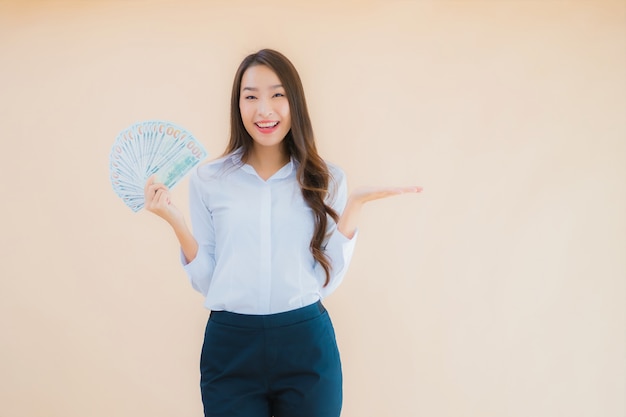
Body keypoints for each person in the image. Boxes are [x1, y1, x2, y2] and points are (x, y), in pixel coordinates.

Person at [143, 48, 422, 417]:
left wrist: (353, 207)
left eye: (277, 95)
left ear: (295, 102)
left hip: (305, 344)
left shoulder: (327, 180)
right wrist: (174, 220)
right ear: (237, 105)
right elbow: (211, 281)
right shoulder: (208, 180)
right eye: (251, 96)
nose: (264, 110)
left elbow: (325, 280)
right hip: (231, 348)